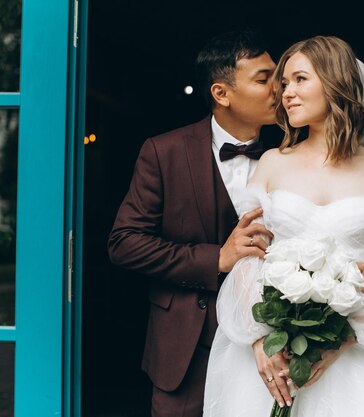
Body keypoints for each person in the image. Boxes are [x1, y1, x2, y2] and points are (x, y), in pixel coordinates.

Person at [203, 36, 364, 417]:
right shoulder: (273, 163)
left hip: (356, 363)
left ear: (335, 81)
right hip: (271, 359)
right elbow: (247, 259)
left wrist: (338, 341)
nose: (285, 93)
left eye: (299, 80)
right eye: (283, 83)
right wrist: (262, 341)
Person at [107, 29, 280, 417]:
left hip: (275, 345)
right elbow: (124, 242)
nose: (279, 88)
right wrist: (215, 258)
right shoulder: (163, 151)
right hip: (186, 349)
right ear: (222, 94)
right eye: (263, 78)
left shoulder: (295, 151)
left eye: (279, 76)